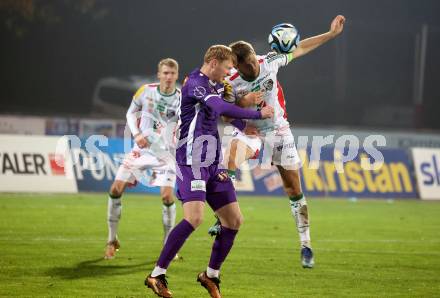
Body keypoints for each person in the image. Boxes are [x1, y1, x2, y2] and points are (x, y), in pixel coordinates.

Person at [209, 15, 346, 269]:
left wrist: (330, 34)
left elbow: (301, 46)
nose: (253, 64)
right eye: (248, 63)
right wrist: (243, 103)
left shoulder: (269, 60)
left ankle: (306, 245)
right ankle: (222, 217)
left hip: (278, 131)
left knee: (294, 190)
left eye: (253, 58)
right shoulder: (231, 83)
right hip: (251, 131)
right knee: (226, 162)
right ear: (237, 66)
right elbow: (225, 113)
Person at [145, 45, 274, 298]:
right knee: (194, 218)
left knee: (233, 221)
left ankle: (210, 275)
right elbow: (223, 108)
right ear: (213, 62)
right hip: (191, 161)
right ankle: (156, 275)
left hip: (213, 162)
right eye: (227, 68)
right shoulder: (195, 83)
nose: (229, 74)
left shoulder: (214, 85)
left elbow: (222, 114)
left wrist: (243, 125)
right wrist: (257, 113)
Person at [104, 58, 181, 260]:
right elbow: (130, 113)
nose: (168, 77)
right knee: (115, 189)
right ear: (159, 74)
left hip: (166, 154)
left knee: (166, 197)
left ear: (176, 75)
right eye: (165, 73)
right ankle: (112, 240)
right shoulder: (145, 90)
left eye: (172, 73)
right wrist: (137, 134)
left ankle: (168, 246)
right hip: (142, 149)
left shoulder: (182, 97)